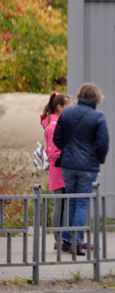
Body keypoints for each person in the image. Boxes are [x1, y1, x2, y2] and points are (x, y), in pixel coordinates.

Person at [52, 83, 109, 254]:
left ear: (79, 95)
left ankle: (67, 240)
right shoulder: (98, 117)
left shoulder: (67, 113)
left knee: (70, 199)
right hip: (87, 168)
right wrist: (96, 159)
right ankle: (77, 242)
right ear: (96, 98)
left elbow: (57, 138)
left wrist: (68, 151)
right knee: (82, 203)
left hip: (68, 165)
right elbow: (103, 144)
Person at [40, 91, 71, 241]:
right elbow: (53, 152)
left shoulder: (56, 123)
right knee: (59, 204)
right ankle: (58, 238)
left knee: (63, 203)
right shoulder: (53, 126)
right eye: (68, 107)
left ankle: (61, 237)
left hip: (60, 168)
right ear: (59, 107)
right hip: (58, 169)